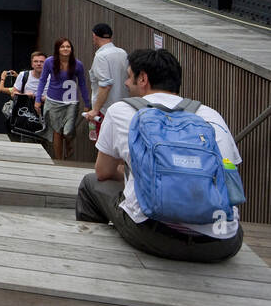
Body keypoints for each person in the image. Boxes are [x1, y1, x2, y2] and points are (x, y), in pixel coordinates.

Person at [75, 49, 243, 262]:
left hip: (154, 236)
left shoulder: (121, 110)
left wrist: (143, 173)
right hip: (222, 243)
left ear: (142, 78)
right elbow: (230, 176)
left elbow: (103, 172)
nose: (126, 83)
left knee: (90, 183)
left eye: (129, 76)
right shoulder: (210, 114)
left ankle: (95, 258)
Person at [35, 37, 91, 161]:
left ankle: (69, 144)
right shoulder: (50, 62)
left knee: (68, 131)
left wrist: (87, 103)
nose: (65, 49)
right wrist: (38, 99)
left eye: (68, 46)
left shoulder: (77, 64)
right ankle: (58, 160)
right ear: (58, 49)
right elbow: (43, 80)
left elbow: (82, 84)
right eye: (62, 47)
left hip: (71, 102)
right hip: (53, 101)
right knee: (57, 132)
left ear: (71, 49)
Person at [87, 23, 130, 130]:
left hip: (105, 110)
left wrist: (95, 110)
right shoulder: (123, 53)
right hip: (123, 108)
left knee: (103, 144)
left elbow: (105, 85)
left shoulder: (101, 56)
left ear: (94, 36)